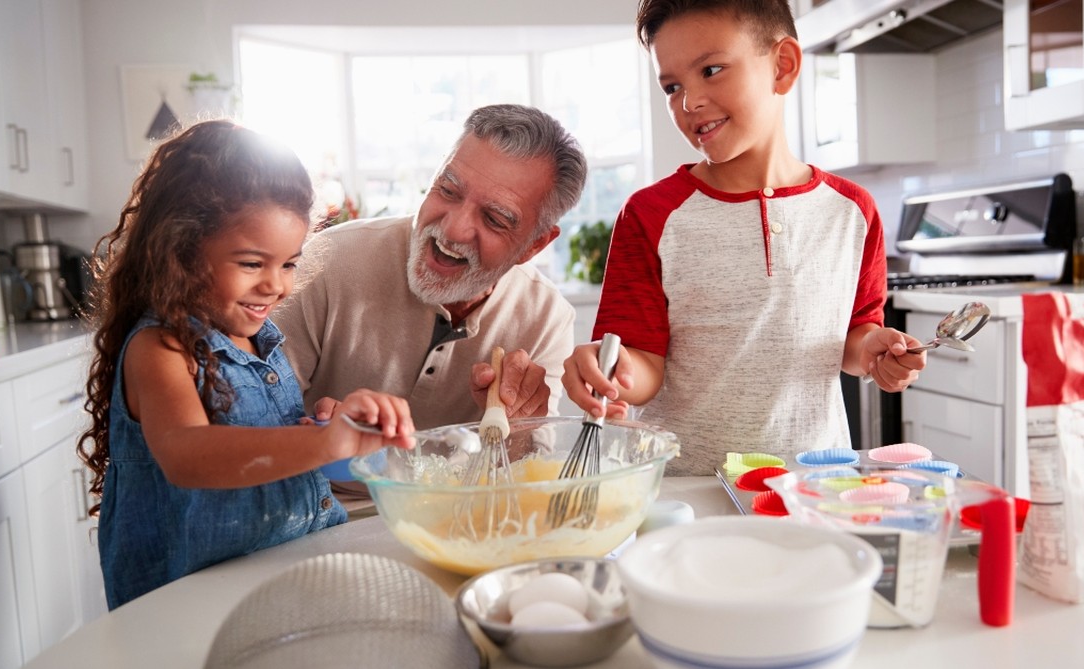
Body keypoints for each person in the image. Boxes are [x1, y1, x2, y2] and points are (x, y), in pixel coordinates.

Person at [561, 0, 925, 475]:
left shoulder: (853, 212)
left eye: (711, 70)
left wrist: (875, 350)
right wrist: (611, 372)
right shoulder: (650, 214)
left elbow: (854, 335)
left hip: (813, 482)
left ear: (783, 66)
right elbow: (644, 365)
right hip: (688, 488)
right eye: (672, 87)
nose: (688, 102)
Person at [77, 120, 415, 609]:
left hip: (284, 584)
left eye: (289, 264)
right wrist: (320, 440)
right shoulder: (160, 349)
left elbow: (262, 445)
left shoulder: (263, 342)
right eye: (253, 264)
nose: (276, 285)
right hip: (189, 608)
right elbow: (187, 453)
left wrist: (325, 426)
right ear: (181, 253)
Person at [273, 104, 588, 506]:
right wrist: (317, 439)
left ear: (536, 245)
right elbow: (245, 427)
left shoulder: (547, 317)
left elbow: (526, 480)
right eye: (448, 190)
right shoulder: (328, 261)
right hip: (314, 508)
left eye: (494, 219)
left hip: (454, 516)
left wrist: (520, 430)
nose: (453, 229)